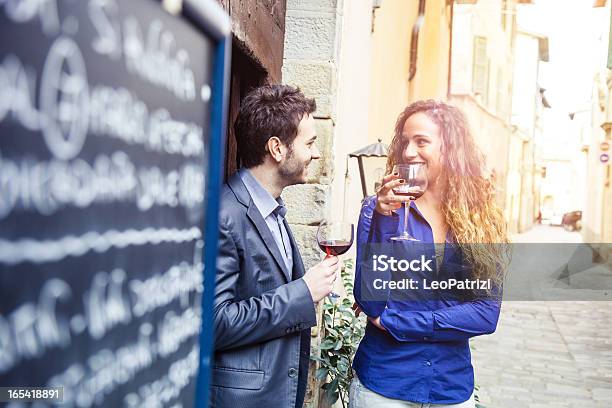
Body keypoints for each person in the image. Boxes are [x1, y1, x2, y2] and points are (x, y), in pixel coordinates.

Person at [350, 100, 509, 408]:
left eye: (421, 141)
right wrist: (385, 219)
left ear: (450, 148)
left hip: (449, 390)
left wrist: (399, 323)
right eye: (404, 142)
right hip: (384, 387)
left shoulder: (480, 219)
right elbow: (371, 301)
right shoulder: (376, 209)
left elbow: (485, 315)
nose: (408, 152)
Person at [211, 84, 339, 408]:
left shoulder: (274, 207)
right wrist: (303, 293)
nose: (317, 153)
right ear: (277, 149)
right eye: (309, 143)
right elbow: (215, 322)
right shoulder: (225, 214)